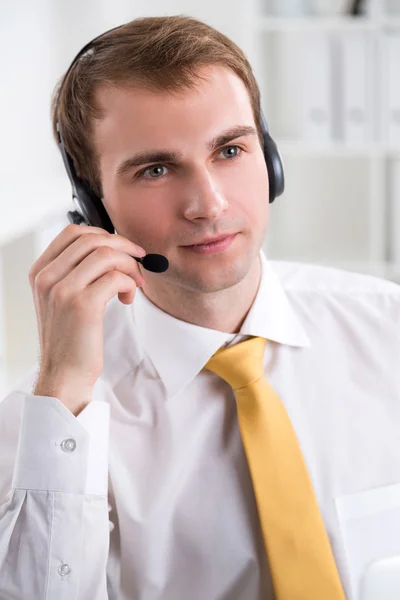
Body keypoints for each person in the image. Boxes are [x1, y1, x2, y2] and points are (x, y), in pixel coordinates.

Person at [0, 14, 399, 600]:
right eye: (156, 169)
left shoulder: (388, 329)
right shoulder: (48, 424)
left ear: (271, 162)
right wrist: (64, 385)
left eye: (230, 150)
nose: (208, 204)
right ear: (93, 207)